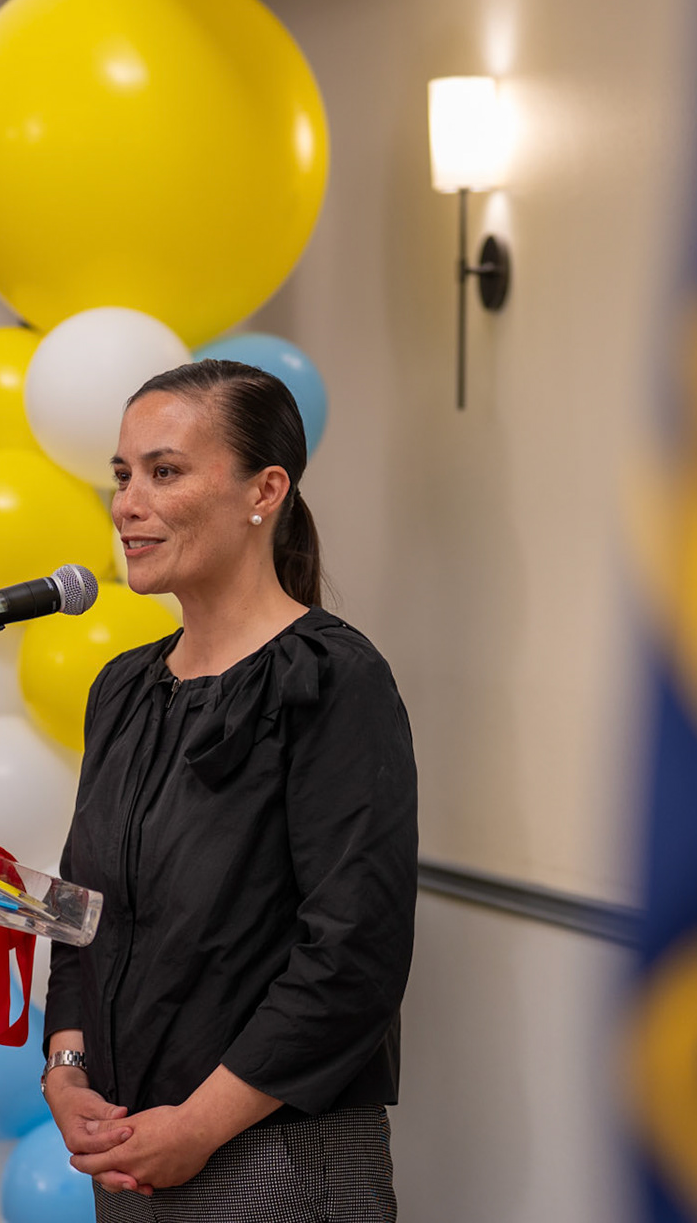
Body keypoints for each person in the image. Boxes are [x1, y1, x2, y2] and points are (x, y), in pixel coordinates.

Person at [41, 359, 418, 1221]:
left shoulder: (334, 680)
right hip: (131, 1150)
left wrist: (199, 1127)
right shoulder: (124, 689)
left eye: (164, 472)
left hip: (273, 1159)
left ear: (266, 490)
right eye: (123, 474)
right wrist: (66, 1073)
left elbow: (353, 956)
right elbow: (78, 914)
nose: (127, 504)